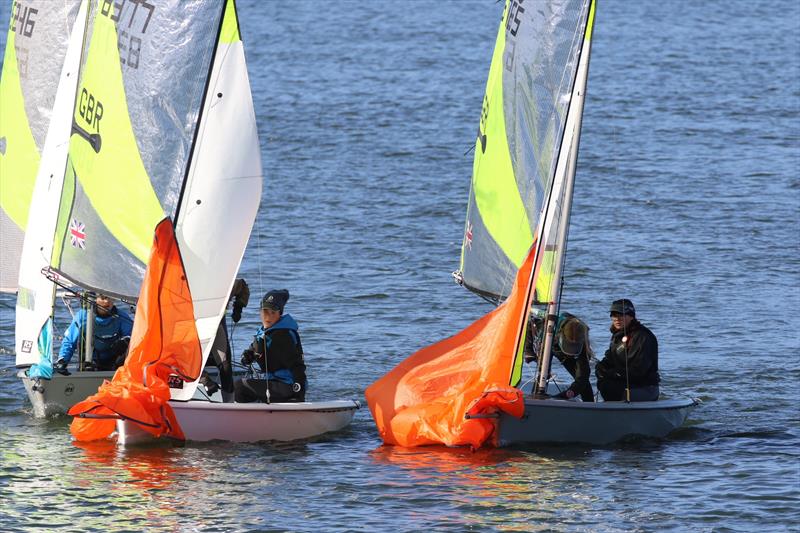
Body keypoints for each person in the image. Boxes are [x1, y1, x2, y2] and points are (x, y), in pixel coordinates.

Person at [234, 289, 307, 403]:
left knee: (240, 386)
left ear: (280, 313)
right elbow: (249, 357)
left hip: (288, 386)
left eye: (273, 312)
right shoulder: (263, 333)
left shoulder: (284, 335)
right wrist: (247, 358)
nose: (268, 316)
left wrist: (299, 393)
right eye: (265, 311)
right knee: (236, 381)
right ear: (260, 312)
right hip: (272, 383)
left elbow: (297, 365)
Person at [595, 298, 660, 401]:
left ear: (631, 316)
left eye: (620, 315)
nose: (616, 318)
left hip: (644, 387)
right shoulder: (617, 336)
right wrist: (601, 368)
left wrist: (614, 373)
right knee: (603, 383)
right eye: (613, 315)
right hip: (625, 383)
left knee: (609, 387)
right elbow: (610, 358)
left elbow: (639, 371)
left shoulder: (643, 337)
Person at [524, 311, 595, 402]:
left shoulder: (582, 345)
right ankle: (536, 399)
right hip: (552, 344)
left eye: (574, 346)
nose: (571, 350)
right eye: (570, 345)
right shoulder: (549, 329)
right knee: (543, 374)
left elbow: (582, 379)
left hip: (569, 354)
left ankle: (590, 407)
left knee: (583, 382)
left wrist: (562, 396)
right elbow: (530, 323)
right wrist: (529, 350)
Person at [55, 294, 133, 374]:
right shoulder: (83, 316)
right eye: (103, 297)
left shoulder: (122, 317)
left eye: (110, 297)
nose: (107, 301)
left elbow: (133, 337)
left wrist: (126, 340)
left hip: (115, 365)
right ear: (95, 299)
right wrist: (62, 360)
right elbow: (69, 341)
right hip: (89, 364)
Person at [199, 278, 250, 402]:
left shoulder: (223, 287)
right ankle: (202, 379)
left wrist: (238, 307)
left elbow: (242, 287)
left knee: (225, 367)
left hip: (216, 326)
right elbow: (179, 358)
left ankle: (229, 404)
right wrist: (205, 379)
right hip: (192, 327)